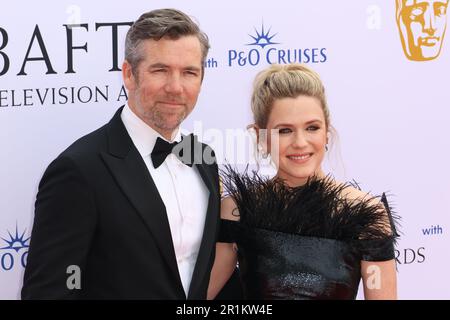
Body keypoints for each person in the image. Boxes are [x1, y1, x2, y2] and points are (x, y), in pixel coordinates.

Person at [22, 8, 220, 299]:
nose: (176, 87)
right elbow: (51, 291)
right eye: (160, 70)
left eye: (189, 72)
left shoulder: (204, 159)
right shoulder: (79, 170)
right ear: (129, 74)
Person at [207, 64, 400, 300]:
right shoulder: (238, 210)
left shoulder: (366, 215)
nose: (300, 142)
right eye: (284, 131)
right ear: (261, 137)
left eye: (312, 128)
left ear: (326, 132)